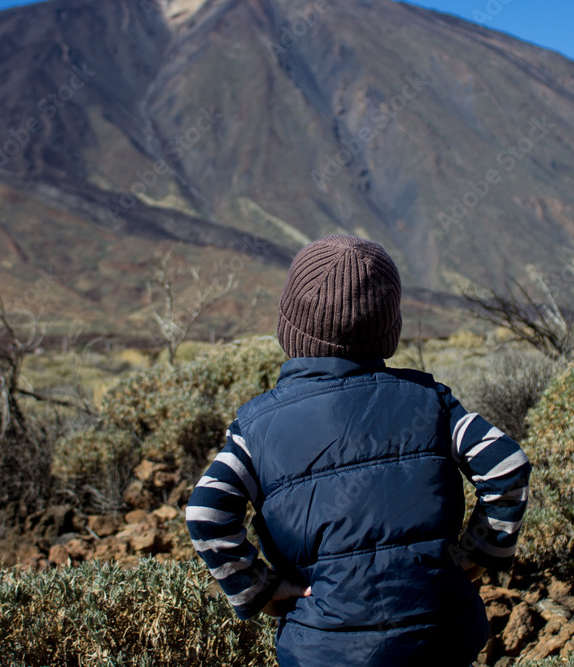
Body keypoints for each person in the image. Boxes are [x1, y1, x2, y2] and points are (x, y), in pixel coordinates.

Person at [186, 235, 531, 667]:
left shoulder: (257, 429)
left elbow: (205, 514)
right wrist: (476, 555)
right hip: (440, 634)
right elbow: (507, 464)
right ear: (390, 331)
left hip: (325, 648)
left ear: (287, 328)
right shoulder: (431, 403)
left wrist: (264, 590)